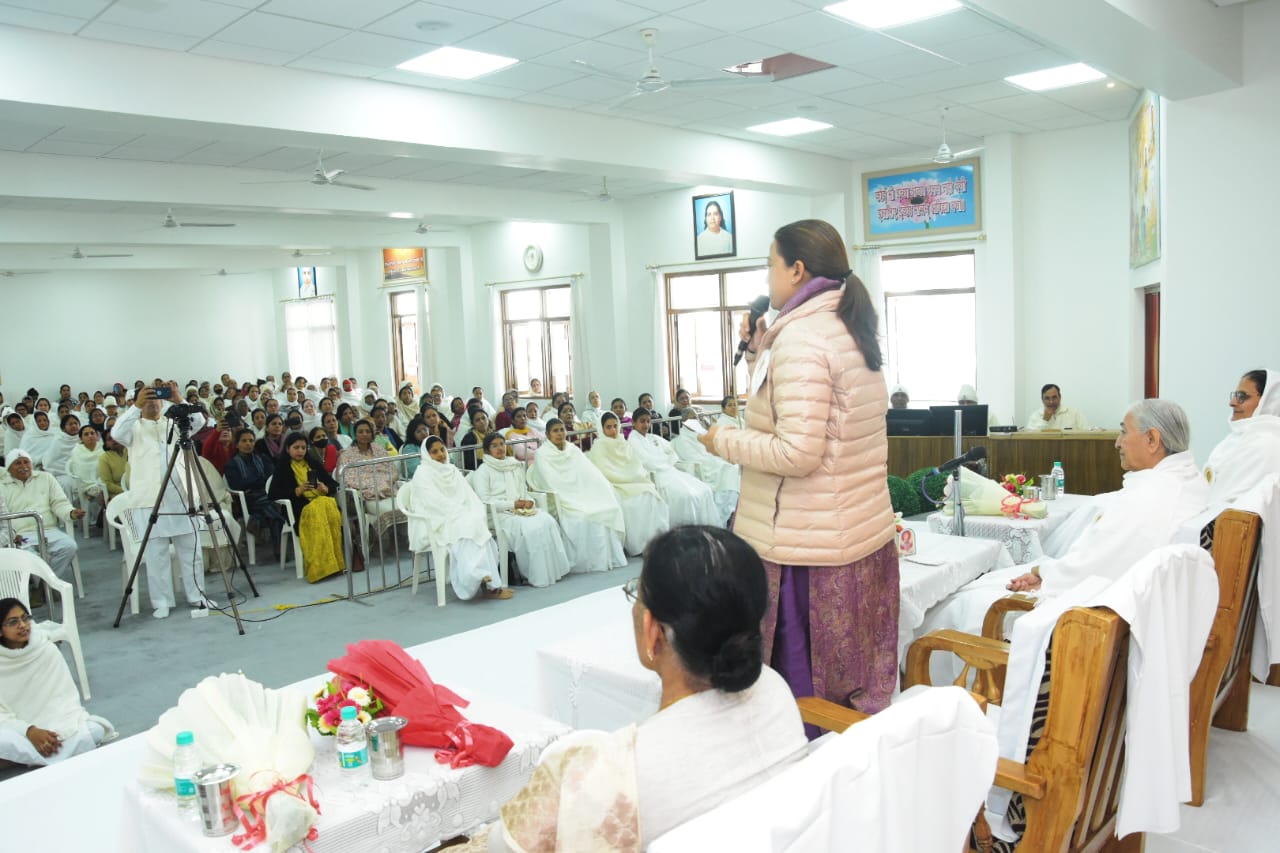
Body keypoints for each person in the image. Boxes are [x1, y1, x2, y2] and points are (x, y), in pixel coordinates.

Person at [453, 526, 806, 851]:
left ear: (653, 631)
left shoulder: (608, 770)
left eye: (636, 593)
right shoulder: (776, 692)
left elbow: (501, 847)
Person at [698, 219, 899, 715]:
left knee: (804, 700)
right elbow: (796, 411)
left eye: (771, 264)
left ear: (798, 270)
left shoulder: (803, 339)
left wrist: (723, 440)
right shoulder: (844, 326)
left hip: (807, 548)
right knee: (850, 687)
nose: (767, 277)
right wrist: (756, 353)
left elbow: (797, 452)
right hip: (856, 535)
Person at [921, 399, 1211, 639]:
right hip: (1136, 602)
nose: (1117, 442)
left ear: (1152, 439)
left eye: (1124, 432)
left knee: (955, 605)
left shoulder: (1151, 495)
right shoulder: (1185, 480)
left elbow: (1093, 567)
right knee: (987, 581)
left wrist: (1044, 574)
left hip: (1092, 616)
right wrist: (1046, 570)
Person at [110, 383, 213, 619]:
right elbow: (116, 434)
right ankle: (162, 601)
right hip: (149, 498)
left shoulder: (174, 421)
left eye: (157, 398)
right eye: (147, 398)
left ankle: (197, 596)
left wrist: (179, 400)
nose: (153, 402)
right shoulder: (132, 427)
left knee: (191, 550)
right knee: (156, 555)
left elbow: (199, 422)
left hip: (180, 494)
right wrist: (135, 407)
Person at [0, 590, 116, 766]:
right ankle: (42, 751)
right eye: (13, 622)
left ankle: (28, 756)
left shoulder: (45, 649)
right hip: (20, 731)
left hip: (56, 725)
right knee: (4, 740)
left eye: (25, 618)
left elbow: (65, 699)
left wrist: (49, 732)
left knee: (95, 730)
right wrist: (30, 731)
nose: (23, 625)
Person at [399, 436, 512, 600]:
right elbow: (432, 502)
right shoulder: (422, 473)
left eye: (442, 450)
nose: (440, 454)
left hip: (457, 515)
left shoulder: (451, 469)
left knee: (478, 526)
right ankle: (476, 577)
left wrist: (474, 511)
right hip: (435, 520)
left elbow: (469, 496)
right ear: (426, 454)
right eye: (434, 452)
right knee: (466, 526)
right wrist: (458, 512)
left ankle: (487, 582)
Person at [469, 433, 571, 588]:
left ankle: (554, 571)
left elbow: (523, 490)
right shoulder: (483, 471)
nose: (499, 448)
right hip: (499, 514)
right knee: (530, 529)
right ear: (487, 450)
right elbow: (485, 501)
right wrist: (513, 505)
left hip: (520, 510)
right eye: (494, 446)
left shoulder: (514, 465)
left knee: (547, 520)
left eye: (501, 444)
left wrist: (528, 501)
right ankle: (535, 575)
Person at [527, 418, 627, 573]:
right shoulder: (542, 454)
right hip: (563, 497)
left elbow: (589, 473)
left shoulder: (572, 449)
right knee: (583, 515)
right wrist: (572, 496)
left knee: (608, 506)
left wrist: (601, 488)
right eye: (555, 431)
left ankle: (607, 558)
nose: (560, 434)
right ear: (547, 434)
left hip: (583, 493)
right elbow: (550, 481)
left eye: (562, 430)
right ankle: (587, 562)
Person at [589, 412, 670, 556]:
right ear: (602, 429)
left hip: (634, 481)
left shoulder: (623, 443)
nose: (613, 431)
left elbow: (635, 464)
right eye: (608, 427)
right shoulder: (599, 446)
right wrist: (626, 478)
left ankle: (654, 542)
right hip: (617, 484)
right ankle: (638, 546)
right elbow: (604, 470)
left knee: (651, 497)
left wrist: (635, 476)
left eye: (615, 426)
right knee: (632, 504)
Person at [267, 432, 345, 583]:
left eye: (303, 447)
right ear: (288, 449)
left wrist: (326, 488)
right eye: (296, 447)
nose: (300, 451)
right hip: (299, 510)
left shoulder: (313, 463)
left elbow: (334, 485)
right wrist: (297, 491)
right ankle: (320, 568)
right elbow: (273, 494)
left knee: (326, 504)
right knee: (318, 508)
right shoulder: (282, 467)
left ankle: (335, 564)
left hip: (321, 505)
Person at [628, 408, 720, 527]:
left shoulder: (653, 438)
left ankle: (707, 529)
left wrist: (666, 462)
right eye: (642, 421)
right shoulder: (633, 440)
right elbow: (647, 461)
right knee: (688, 497)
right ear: (634, 423)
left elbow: (671, 451)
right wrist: (664, 461)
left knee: (705, 490)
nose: (646, 425)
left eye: (648, 421)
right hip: (658, 476)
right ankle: (688, 532)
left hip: (670, 471)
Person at [0, 450, 84, 580]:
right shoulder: (2, 486)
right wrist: (11, 535)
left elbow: (59, 503)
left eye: (26, 462)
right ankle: (46, 587)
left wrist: (71, 513)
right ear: (9, 468)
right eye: (17, 463)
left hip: (47, 530)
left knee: (69, 547)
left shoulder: (46, 478)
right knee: (31, 558)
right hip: (18, 535)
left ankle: (44, 586)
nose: (24, 466)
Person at [1203, 368, 1280, 503]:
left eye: (1242, 396)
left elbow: (1234, 504)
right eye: (1235, 395)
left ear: (1268, 401)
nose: (1232, 402)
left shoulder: (1267, 444)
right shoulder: (1237, 438)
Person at [337, 419, 401, 564]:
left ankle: (400, 542)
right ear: (355, 434)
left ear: (372, 433)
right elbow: (348, 478)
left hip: (387, 490)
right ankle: (378, 543)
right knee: (384, 510)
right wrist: (372, 487)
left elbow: (392, 470)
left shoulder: (379, 449)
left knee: (402, 505)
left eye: (367, 431)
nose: (364, 434)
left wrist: (384, 483)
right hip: (368, 495)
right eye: (360, 432)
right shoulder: (347, 455)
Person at [672, 410, 741, 524]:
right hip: (704, 466)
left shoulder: (700, 433)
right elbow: (691, 456)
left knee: (734, 468)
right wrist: (712, 459)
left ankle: (728, 509)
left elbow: (712, 447)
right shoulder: (682, 439)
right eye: (692, 418)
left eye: (696, 418)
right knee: (728, 470)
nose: (695, 420)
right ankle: (720, 514)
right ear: (684, 421)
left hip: (711, 460)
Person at [224, 428, 284, 553]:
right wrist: (259, 480)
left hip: (265, 496)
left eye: (251, 440)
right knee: (274, 506)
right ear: (237, 444)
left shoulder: (262, 458)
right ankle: (279, 549)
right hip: (247, 501)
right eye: (244, 441)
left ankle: (257, 521)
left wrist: (253, 482)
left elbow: (272, 476)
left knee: (271, 505)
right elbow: (238, 485)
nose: (248, 444)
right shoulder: (232, 464)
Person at [67, 425, 105, 524]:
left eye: (92, 433)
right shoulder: (77, 451)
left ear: (97, 436)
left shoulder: (103, 449)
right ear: (81, 438)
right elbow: (79, 472)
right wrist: (93, 483)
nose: (90, 436)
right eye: (86, 434)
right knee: (102, 492)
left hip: (103, 482)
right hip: (85, 485)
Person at [1025, 383, 1089, 431]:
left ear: (1060, 397)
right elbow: (1031, 437)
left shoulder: (1074, 413)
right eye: (1047, 398)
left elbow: (1087, 432)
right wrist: (1045, 420)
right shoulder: (1035, 416)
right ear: (1042, 400)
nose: (1051, 402)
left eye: (1054, 397)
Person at [97, 430, 128, 501]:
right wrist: (126, 491)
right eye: (109, 439)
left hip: (136, 488)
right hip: (117, 493)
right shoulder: (104, 458)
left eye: (115, 437)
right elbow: (107, 483)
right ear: (106, 444)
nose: (113, 440)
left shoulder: (131, 451)